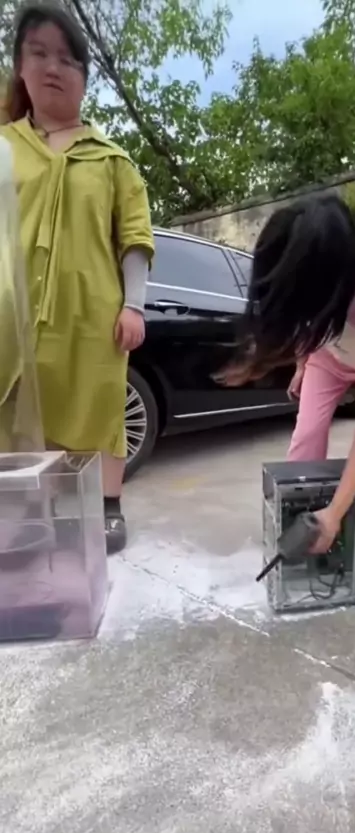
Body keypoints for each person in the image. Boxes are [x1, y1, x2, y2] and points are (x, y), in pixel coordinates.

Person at [0, 2, 155, 554]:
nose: (52, 67)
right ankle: (30, 509)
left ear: (85, 78)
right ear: (20, 66)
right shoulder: (3, 150)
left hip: (92, 316)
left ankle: (109, 506)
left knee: (101, 408)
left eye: (67, 59)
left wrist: (133, 305)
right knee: (20, 410)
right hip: (13, 316)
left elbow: (134, 236)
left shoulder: (112, 161)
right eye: (39, 53)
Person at [216, 193, 355, 554]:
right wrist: (302, 364)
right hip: (328, 359)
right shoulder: (312, 285)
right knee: (306, 439)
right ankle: (296, 523)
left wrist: (335, 514)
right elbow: (303, 326)